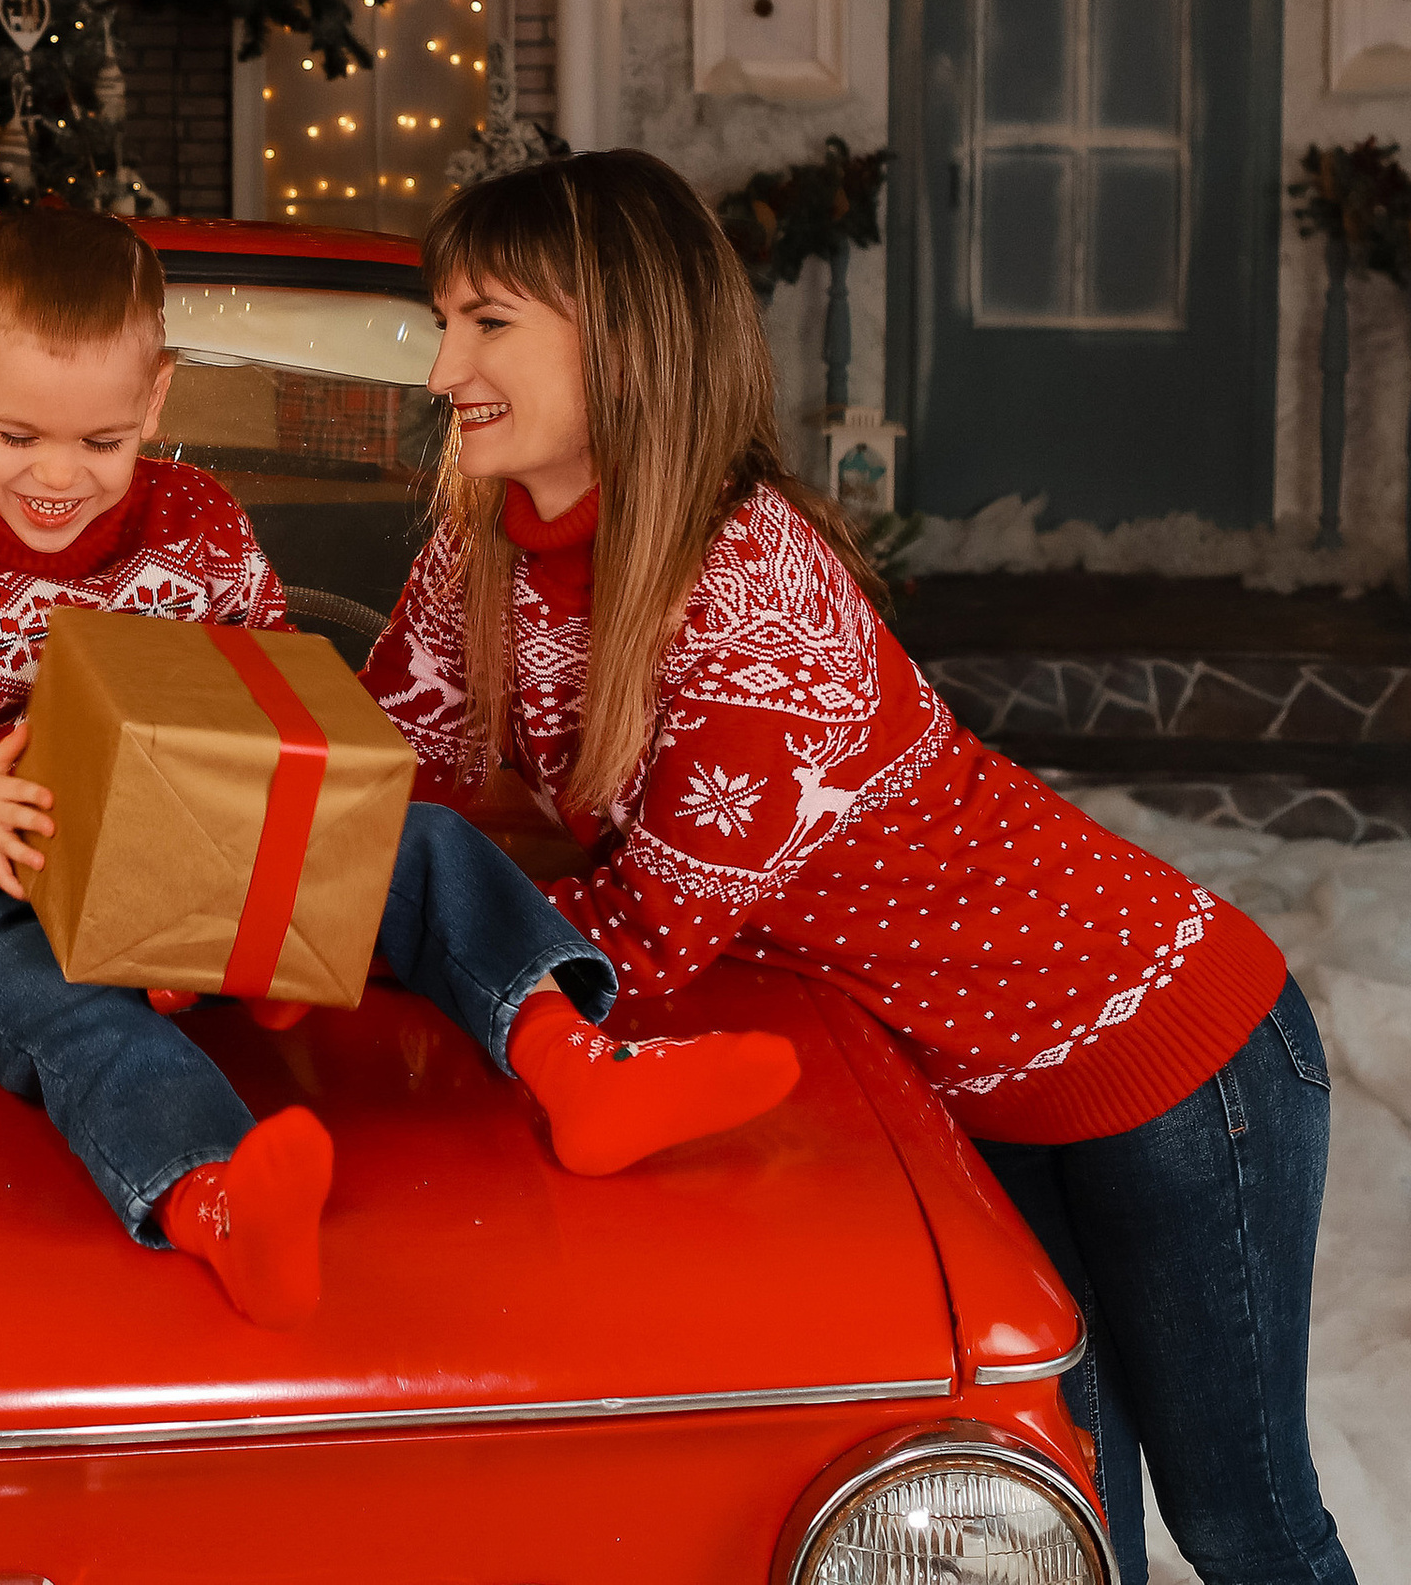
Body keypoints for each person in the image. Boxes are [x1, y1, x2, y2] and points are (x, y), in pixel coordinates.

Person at [363, 149, 1352, 1585]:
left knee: (1244, 1525)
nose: (444, 366)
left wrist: (382, 932)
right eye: (443, 320)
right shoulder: (481, 560)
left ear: (623, 337)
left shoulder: (756, 591)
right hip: (961, 1086)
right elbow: (374, 781)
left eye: (489, 322)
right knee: (1071, 1529)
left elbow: (636, 942)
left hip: (1165, 1051)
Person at [0, 208, 797, 1331]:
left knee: (426, 841)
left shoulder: (200, 523)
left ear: (155, 399)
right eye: (16, 436)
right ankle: (214, 1195)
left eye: (100, 442)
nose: (57, 475)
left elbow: (275, 702)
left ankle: (568, 1054)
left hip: (206, 849)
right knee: (42, 997)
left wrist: (274, 900)